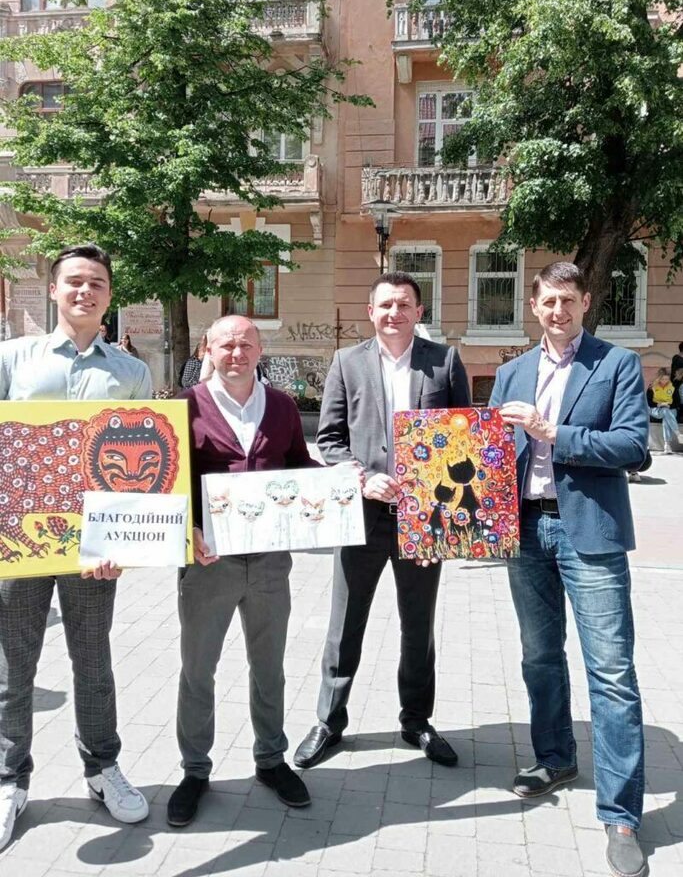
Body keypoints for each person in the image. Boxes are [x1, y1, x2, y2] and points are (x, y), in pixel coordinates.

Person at [490, 261, 648, 877]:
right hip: (527, 530)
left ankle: (621, 815)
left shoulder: (617, 364)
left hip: (590, 534)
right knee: (539, 656)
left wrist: (554, 432)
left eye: (569, 300)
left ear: (585, 302)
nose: (559, 311)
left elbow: (632, 445)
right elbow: (489, 456)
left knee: (611, 673)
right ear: (534, 306)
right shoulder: (511, 373)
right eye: (548, 301)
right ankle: (555, 757)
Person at [0, 244, 153, 853]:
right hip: (21, 544)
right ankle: (9, 779)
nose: (85, 291)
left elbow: (143, 463)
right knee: (12, 668)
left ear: (110, 295)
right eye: (74, 282)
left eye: (96, 283)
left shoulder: (131, 372)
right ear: (54, 290)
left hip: (94, 547)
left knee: (93, 662)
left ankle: (102, 767)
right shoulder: (12, 359)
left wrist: (124, 540)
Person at [294, 271, 471, 771]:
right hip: (362, 515)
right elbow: (329, 439)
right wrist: (363, 477)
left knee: (418, 625)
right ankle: (329, 721)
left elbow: (464, 440)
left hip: (424, 520)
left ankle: (417, 720)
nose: (395, 313)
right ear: (370, 312)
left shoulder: (444, 362)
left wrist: (450, 523)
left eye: (404, 304)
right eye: (386, 305)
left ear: (419, 311)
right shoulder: (347, 362)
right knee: (345, 624)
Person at [168, 315, 314, 826]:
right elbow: (169, 483)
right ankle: (194, 771)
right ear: (207, 349)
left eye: (246, 344)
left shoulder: (282, 406)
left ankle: (271, 760)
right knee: (198, 669)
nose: (236, 352)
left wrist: (344, 480)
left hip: (270, 561)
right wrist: (188, 529)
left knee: (269, 665)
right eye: (226, 344)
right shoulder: (184, 408)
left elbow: (299, 466)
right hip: (209, 563)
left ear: (260, 350)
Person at [648, 367, 679, 453]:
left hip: (670, 409)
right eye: (662, 379)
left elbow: (677, 402)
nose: (665, 381)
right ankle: (677, 433)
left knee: (666, 416)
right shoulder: (652, 387)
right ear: (658, 378)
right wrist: (658, 404)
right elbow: (649, 402)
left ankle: (667, 445)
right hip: (655, 409)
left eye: (667, 379)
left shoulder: (673, 387)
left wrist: (669, 405)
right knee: (665, 412)